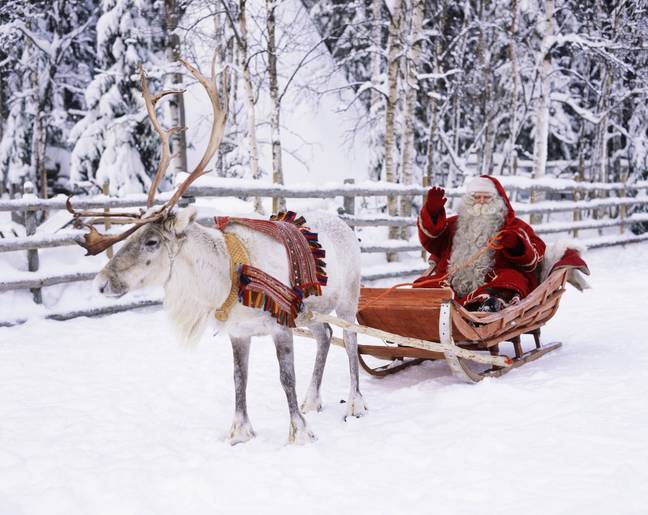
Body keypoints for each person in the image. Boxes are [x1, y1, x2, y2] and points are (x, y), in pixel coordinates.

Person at [414, 175, 546, 312]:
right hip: (452, 281)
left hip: (492, 280)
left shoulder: (514, 226)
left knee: (511, 280)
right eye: (476, 197)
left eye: (487, 197)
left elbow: (536, 254)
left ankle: (488, 305)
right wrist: (432, 213)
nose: (481, 201)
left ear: (498, 201)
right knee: (423, 286)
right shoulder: (455, 224)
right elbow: (433, 242)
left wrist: (516, 245)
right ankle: (431, 310)